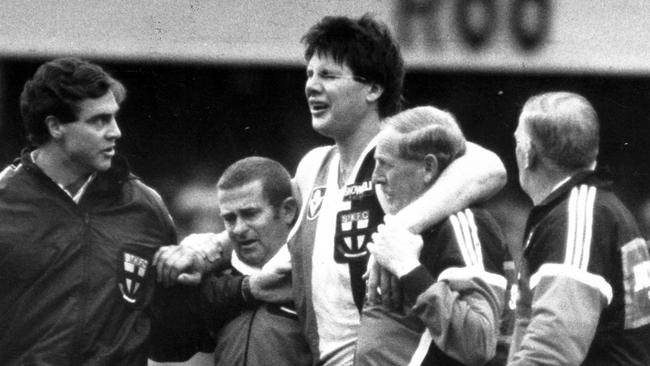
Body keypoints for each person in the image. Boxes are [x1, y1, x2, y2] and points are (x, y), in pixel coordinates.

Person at [155, 14, 507, 366]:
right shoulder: (314, 167)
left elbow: (489, 167)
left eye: (327, 75)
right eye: (309, 74)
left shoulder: (404, 162)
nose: (311, 85)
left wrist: (402, 228)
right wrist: (209, 247)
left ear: (373, 88)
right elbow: (269, 218)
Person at [0, 57, 205, 366]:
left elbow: (171, 340)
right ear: (55, 126)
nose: (116, 132)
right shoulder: (4, 204)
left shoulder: (145, 207)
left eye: (114, 118)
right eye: (100, 120)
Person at [354, 106, 507, 366]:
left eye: (385, 165)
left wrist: (408, 268)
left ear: (428, 168)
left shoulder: (464, 225)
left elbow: (478, 343)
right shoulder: (410, 222)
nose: (376, 178)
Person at [508, 91, 650, 365]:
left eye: (516, 141)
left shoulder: (576, 219)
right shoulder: (596, 208)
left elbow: (549, 355)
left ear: (527, 153)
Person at [193, 156, 311, 365]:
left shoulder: (312, 273)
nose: (238, 229)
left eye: (250, 214)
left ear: (287, 211)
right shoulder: (215, 280)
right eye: (229, 218)